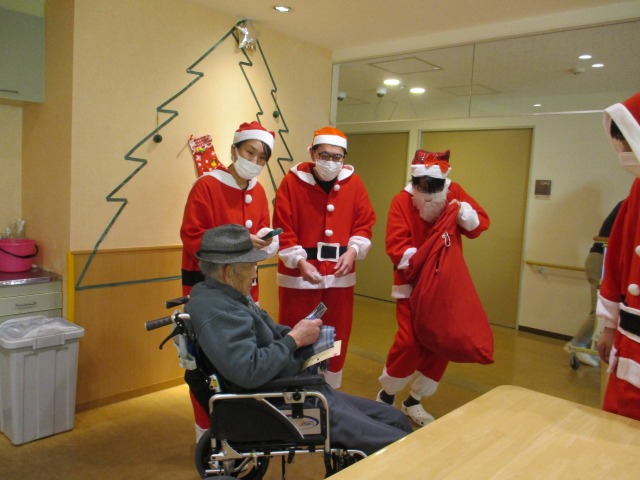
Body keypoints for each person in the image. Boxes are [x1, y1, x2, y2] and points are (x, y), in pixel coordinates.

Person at [185, 224, 412, 455]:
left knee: (394, 417)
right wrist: (294, 339)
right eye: (251, 265)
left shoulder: (228, 295)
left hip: (293, 387)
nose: (254, 272)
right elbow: (249, 370)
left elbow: (268, 330)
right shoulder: (217, 311)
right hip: (281, 400)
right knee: (398, 443)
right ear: (228, 271)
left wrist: (300, 334)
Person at [180, 121, 279, 440]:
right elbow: (193, 237)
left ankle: (239, 428)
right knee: (205, 363)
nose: (255, 161)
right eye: (250, 152)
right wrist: (242, 240)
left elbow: (261, 230)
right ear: (235, 149)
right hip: (207, 289)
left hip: (245, 289)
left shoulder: (259, 191)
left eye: (262, 158)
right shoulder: (206, 186)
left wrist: (266, 240)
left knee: (243, 360)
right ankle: (206, 433)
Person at [377, 149, 490, 426]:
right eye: (421, 187)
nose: (427, 195)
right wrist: (423, 263)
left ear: (443, 183)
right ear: (414, 182)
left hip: (445, 286)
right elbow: (396, 245)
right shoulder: (401, 200)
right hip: (410, 285)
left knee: (443, 342)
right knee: (409, 342)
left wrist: (462, 212)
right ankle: (387, 395)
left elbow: (478, 226)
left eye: (433, 188)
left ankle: (414, 400)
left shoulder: (454, 193)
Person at [272, 127, 376, 389]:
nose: (331, 161)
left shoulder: (355, 184)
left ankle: (328, 390)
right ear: (312, 153)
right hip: (299, 277)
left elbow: (364, 223)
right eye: (325, 155)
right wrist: (299, 261)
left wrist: (353, 251)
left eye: (337, 157)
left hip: (340, 278)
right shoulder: (292, 182)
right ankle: (295, 390)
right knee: (296, 332)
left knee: (336, 334)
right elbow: (283, 227)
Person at [596, 91, 640, 421]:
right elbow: (617, 260)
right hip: (631, 336)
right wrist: (610, 326)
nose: (622, 151)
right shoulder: (637, 190)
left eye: (625, 142)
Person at [565, 201, 622, 367]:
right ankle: (576, 345)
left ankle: (587, 347)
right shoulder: (628, 206)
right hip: (601, 260)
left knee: (602, 312)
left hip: (602, 259)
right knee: (599, 312)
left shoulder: (625, 205)